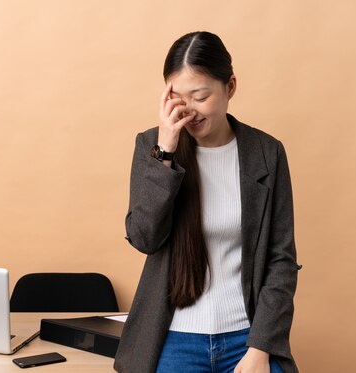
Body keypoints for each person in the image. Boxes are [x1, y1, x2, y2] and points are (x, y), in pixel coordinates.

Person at [114, 31, 301, 373]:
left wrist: (260, 348)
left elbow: (281, 259)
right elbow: (143, 238)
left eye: (200, 96)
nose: (189, 111)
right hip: (172, 337)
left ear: (230, 87)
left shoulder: (267, 152)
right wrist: (166, 154)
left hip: (247, 336)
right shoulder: (152, 147)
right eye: (178, 98)